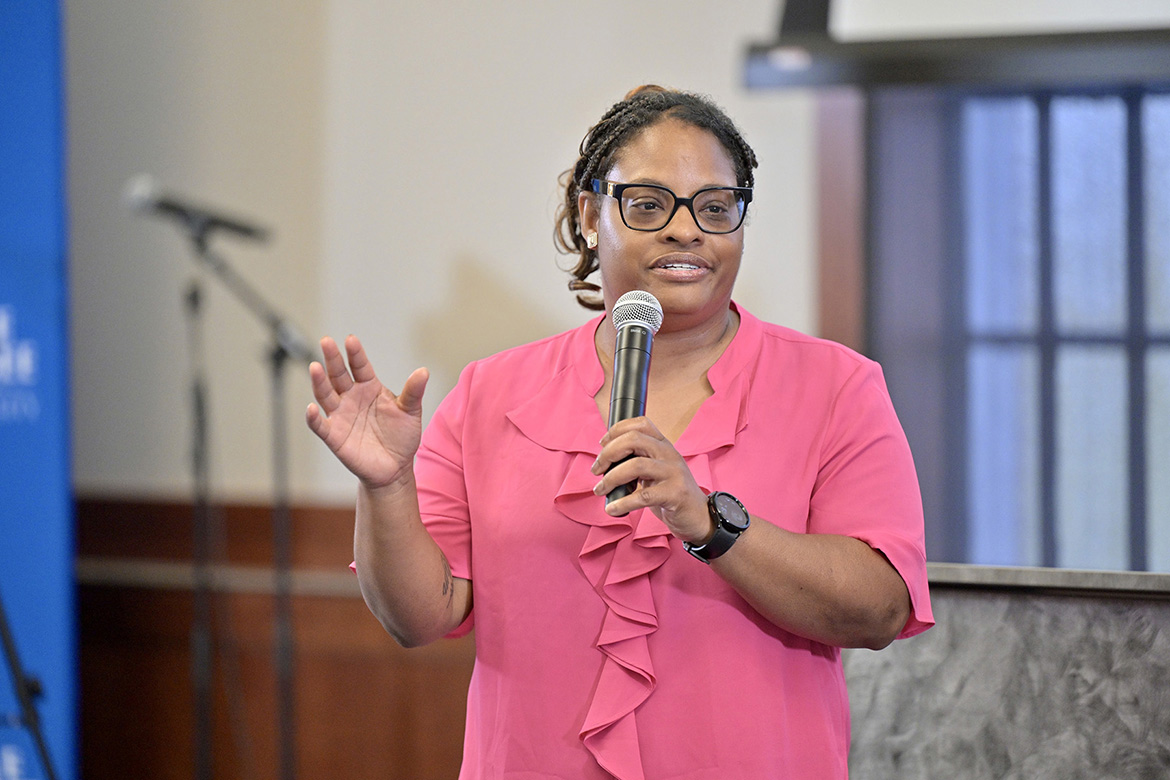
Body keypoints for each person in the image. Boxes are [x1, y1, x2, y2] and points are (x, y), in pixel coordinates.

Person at [306, 85, 933, 780]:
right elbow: (418, 617)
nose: (685, 229)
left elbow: (880, 608)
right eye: (647, 204)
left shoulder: (836, 388)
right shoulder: (491, 394)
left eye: (716, 208)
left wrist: (710, 524)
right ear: (589, 213)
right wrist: (387, 485)